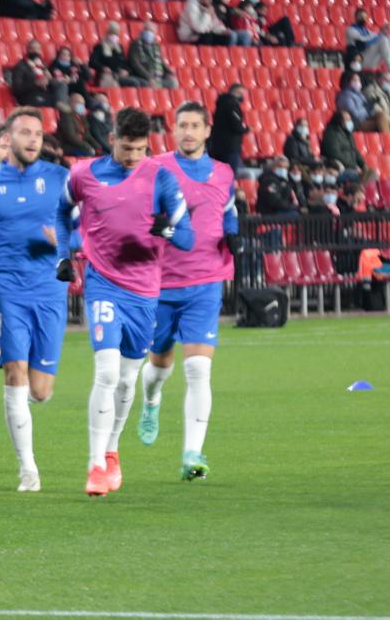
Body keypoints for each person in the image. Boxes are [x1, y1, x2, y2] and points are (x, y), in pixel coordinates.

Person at [54, 107, 194, 497]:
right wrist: (64, 255)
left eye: (139, 149)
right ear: (112, 139)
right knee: (107, 373)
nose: (132, 156)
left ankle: (113, 449)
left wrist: (164, 228)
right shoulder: (83, 174)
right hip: (103, 284)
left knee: (128, 379)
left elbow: (187, 237)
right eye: (126, 148)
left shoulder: (162, 179)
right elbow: (62, 212)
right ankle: (95, 464)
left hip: (145, 292)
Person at [0, 107, 71, 493]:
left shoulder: (60, 179)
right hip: (7, 290)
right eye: (25, 132)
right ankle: (28, 469)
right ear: (7, 139)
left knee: (40, 391)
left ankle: (29, 423)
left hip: (50, 290)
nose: (33, 139)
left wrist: (66, 243)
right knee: (14, 372)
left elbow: (88, 229)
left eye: (38, 133)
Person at [136, 102, 238, 481]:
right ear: (173, 131)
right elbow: (141, 214)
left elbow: (229, 212)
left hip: (206, 281)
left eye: (195, 125)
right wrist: (158, 226)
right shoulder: (156, 168)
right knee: (159, 368)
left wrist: (234, 236)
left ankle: (192, 453)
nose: (189, 132)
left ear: (207, 130)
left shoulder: (224, 173)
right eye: (182, 126)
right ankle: (151, 401)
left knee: (198, 369)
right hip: (161, 282)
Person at [345, 8, 390, 75]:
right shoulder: (351, 30)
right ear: (356, 17)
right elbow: (363, 42)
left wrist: (383, 31)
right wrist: (380, 33)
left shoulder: (366, 30)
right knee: (383, 40)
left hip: (371, 59)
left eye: (365, 17)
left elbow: (374, 36)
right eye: (361, 16)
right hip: (361, 59)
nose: (363, 18)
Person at [10, 40, 67, 107]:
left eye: (37, 49)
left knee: (59, 95)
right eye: (32, 49)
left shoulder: (42, 65)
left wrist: (50, 78)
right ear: (27, 50)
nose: (35, 51)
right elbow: (16, 89)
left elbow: (49, 82)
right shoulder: (20, 66)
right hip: (28, 96)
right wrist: (35, 83)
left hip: (44, 93)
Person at [90, 21, 147, 88]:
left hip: (120, 74)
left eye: (116, 34)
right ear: (107, 34)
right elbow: (92, 62)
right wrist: (103, 68)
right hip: (109, 76)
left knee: (144, 83)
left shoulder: (119, 47)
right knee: (134, 82)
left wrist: (126, 71)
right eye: (112, 34)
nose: (114, 36)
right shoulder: (100, 47)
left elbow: (125, 63)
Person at [321, 110, 370, 183]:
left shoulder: (348, 133)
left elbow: (355, 150)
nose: (350, 122)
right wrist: (353, 166)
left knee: (372, 174)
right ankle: (355, 192)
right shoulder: (331, 133)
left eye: (350, 119)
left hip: (351, 167)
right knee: (356, 175)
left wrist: (363, 165)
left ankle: (360, 192)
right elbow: (335, 154)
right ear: (339, 121)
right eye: (347, 120)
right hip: (339, 168)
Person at [209, 84, 249, 175]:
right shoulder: (231, 105)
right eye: (241, 93)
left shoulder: (221, 104)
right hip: (230, 146)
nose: (242, 96)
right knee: (229, 175)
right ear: (235, 92)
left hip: (218, 145)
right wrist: (246, 129)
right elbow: (236, 125)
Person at [128, 22, 178, 88]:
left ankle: (157, 85)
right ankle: (156, 86)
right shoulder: (136, 44)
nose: (149, 33)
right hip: (143, 77)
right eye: (147, 30)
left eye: (152, 31)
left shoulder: (156, 46)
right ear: (143, 30)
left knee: (173, 82)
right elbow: (135, 64)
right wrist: (149, 77)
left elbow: (161, 61)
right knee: (146, 84)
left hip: (156, 76)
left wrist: (170, 71)